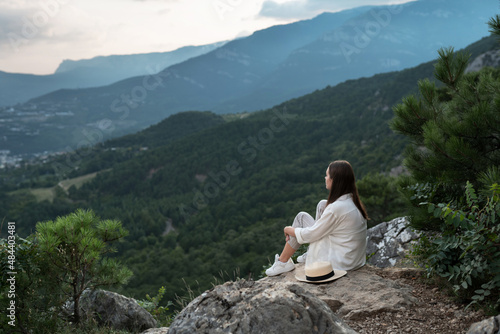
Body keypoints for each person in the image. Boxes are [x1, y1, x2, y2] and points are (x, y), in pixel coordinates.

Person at [265, 160, 368, 277]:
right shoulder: (352, 202)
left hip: (341, 263)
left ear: (335, 180)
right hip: (354, 260)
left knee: (301, 218)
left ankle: (283, 262)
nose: (325, 178)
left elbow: (311, 234)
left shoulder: (336, 208)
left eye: (327, 175)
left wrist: (290, 230)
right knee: (322, 205)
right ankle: (310, 253)